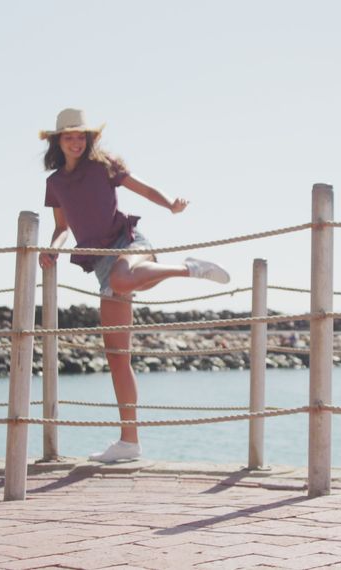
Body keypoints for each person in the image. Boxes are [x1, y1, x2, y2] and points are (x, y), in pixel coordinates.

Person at [38, 108, 230, 462]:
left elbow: (142, 188)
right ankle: (129, 442)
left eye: (81, 136)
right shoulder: (55, 183)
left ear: (89, 139)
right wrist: (52, 250)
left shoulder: (103, 165)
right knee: (116, 356)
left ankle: (189, 268)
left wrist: (171, 203)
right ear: (57, 141)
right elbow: (62, 228)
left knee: (122, 278)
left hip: (129, 245)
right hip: (100, 263)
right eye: (69, 137)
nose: (76, 142)